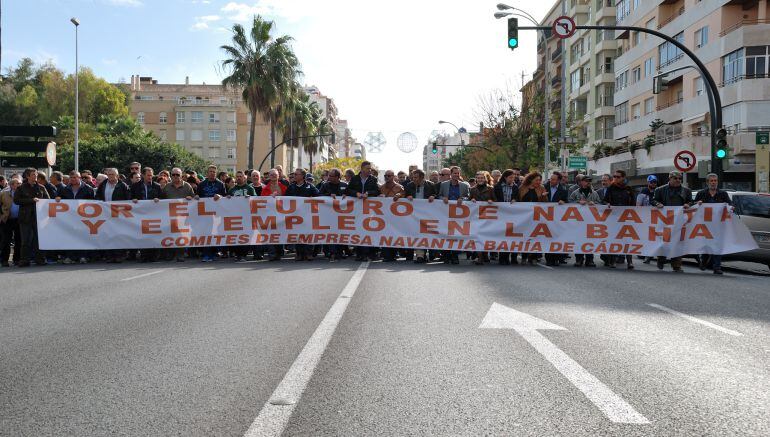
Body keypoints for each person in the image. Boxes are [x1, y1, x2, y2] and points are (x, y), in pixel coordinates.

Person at [651, 170, 693, 272]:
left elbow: (691, 201)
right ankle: (661, 259)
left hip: (679, 221)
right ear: (670, 179)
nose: (678, 180)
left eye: (679, 178)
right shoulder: (660, 190)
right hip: (664, 221)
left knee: (677, 242)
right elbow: (653, 200)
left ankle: (676, 265)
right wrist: (657, 204)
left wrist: (689, 204)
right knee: (664, 241)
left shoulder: (686, 191)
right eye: (675, 178)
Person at [694, 173, 731, 275]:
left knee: (717, 245)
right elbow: (693, 205)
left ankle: (717, 267)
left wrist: (731, 207)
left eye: (715, 181)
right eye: (712, 181)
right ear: (707, 182)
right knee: (706, 245)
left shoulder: (723, 194)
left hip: (718, 225)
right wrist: (697, 204)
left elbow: (730, 204)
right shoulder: (701, 193)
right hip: (704, 225)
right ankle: (704, 261)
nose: (714, 183)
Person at [13, 168, 50, 267]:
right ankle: (24, 260)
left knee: (39, 240)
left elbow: (48, 200)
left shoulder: (41, 187)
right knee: (26, 240)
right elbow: (16, 200)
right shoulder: (21, 188)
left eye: (36, 174)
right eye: (33, 174)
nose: (35, 176)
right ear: (28, 176)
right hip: (25, 218)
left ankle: (40, 259)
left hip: (39, 218)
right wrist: (31, 200)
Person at [345, 161, 381, 261]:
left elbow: (377, 191)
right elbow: (348, 190)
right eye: (367, 168)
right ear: (362, 169)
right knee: (359, 230)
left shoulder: (373, 179)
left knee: (371, 230)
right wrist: (356, 193)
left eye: (370, 168)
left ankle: (372, 253)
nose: (369, 170)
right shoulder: (355, 179)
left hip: (370, 210)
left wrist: (368, 193)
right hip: (357, 210)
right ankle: (360, 253)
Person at [602, 169, 636, 270]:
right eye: (614, 177)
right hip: (613, 218)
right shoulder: (611, 188)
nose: (615, 178)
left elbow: (633, 204)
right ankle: (613, 261)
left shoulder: (629, 189)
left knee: (627, 239)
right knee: (613, 239)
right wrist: (607, 204)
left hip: (626, 218)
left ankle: (630, 261)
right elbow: (605, 200)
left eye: (618, 177)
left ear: (623, 178)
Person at [95, 168, 131, 263]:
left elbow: (128, 200)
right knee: (108, 235)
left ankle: (120, 255)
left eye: (112, 174)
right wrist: (100, 202)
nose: (110, 176)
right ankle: (110, 255)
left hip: (119, 215)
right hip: (106, 214)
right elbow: (98, 196)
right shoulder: (103, 185)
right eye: (109, 174)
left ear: (117, 176)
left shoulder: (123, 186)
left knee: (119, 235)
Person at [436, 166, 470, 264]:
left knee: (456, 235)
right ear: (451, 174)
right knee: (446, 234)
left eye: (458, 173)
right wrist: (443, 198)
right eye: (454, 173)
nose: (456, 175)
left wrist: (462, 199)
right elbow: (439, 195)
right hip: (445, 214)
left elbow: (468, 196)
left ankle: (455, 255)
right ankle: (446, 256)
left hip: (459, 215)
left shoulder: (464, 185)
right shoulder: (444, 184)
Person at [161, 168, 196, 262]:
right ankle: (170, 254)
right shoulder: (167, 187)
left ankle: (180, 254)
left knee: (181, 235)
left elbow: (194, 199)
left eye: (177, 175)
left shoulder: (187, 186)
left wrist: (191, 198)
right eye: (173, 175)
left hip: (183, 216)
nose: (175, 176)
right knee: (170, 234)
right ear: (171, 176)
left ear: (181, 176)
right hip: (170, 216)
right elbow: (161, 200)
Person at [402, 169, 436, 263]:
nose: (414, 179)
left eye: (416, 177)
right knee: (416, 234)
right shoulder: (409, 186)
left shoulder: (431, 185)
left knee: (426, 234)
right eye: (413, 177)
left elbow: (436, 195)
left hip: (427, 214)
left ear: (422, 177)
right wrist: (407, 197)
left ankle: (425, 254)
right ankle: (419, 255)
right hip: (413, 215)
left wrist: (433, 196)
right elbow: (405, 196)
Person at [286, 168, 319, 261]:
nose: (294, 176)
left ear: (302, 176)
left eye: (297, 174)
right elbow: (284, 199)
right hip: (295, 215)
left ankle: (308, 253)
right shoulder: (291, 187)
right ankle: (299, 253)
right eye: (294, 174)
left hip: (307, 215)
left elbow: (319, 196)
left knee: (307, 234)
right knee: (297, 234)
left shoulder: (310, 186)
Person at [569, 175, 601, 267]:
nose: (588, 183)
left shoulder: (594, 193)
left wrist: (594, 203)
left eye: (589, 181)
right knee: (579, 240)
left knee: (590, 240)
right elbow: (569, 202)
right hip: (578, 221)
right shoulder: (575, 193)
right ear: (581, 182)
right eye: (586, 181)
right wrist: (578, 202)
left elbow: (600, 203)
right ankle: (579, 259)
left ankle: (590, 260)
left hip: (590, 221)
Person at [198, 165, 227, 262]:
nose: (212, 173)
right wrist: (196, 197)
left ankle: (214, 253)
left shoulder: (220, 184)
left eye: (214, 172)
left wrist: (220, 196)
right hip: (205, 213)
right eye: (210, 171)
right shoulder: (201, 184)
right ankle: (206, 254)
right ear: (207, 173)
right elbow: (197, 197)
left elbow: (225, 198)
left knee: (215, 233)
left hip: (217, 213)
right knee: (206, 233)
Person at [517, 172, 547, 265]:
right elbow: (518, 200)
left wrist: (543, 196)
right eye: (537, 180)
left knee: (535, 237)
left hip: (536, 217)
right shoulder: (522, 188)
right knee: (525, 237)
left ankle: (533, 257)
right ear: (531, 179)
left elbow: (546, 204)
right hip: (524, 218)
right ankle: (524, 256)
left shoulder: (541, 188)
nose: (538, 182)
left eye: (540, 180)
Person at [319, 168, 348, 262]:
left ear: (337, 177)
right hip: (328, 214)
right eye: (329, 176)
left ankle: (339, 252)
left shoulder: (345, 185)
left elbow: (351, 194)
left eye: (331, 176)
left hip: (342, 215)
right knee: (330, 234)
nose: (329, 177)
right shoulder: (325, 185)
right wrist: (328, 195)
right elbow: (319, 195)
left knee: (340, 234)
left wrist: (347, 196)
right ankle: (330, 252)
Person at [469, 171, 496, 265]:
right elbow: (468, 202)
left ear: (485, 179)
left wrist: (491, 200)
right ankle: (480, 257)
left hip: (488, 216)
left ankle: (484, 255)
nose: (480, 179)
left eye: (482, 178)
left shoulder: (491, 189)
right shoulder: (472, 189)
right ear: (476, 179)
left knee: (485, 236)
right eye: (478, 178)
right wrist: (471, 199)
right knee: (477, 236)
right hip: (476, 217)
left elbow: (496, 200)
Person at [261, 169, 288, 261]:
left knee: (280, 234)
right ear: (269, 176)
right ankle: (272, 254)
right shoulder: (265, 188)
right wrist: (270, 197)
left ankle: (279, 252)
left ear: (278, 176)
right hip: (269, 215)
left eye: (275, 174)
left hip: (281, 214)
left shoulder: (284, 187)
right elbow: (262, 200)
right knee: (271, 234)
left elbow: (289, 200)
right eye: (271, 174)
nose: (273, 176)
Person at [494, 169, 520, 265]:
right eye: (510, 177)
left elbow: (517, 197)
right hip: (501, 215)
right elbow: (495, 198)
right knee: (503, 237)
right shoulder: (497, 187)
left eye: (513, 178)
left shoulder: (515, 187)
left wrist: (514, 199)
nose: (512, 179)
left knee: (511, 237)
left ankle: (511, 257)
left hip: (511, 215)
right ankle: (502, 257)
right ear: (505, 177)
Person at [543, 172, 568, 266]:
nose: (551, 181)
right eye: (550, 179)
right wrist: (542, 196)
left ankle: (556, 257)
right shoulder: (544, 187)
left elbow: (568, 202)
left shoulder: (563, 190)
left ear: (558, 181)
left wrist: (564, 201)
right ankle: (549, 259)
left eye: (553, 179)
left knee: (557, 238)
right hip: (545, 217)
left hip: (557, 219)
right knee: (548, 238)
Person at [379, 170, 404, 262]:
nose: (387, 177)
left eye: (389, 175)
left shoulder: (399, 187)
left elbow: (404, 196)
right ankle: (386, 255)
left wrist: (399, 195)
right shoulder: (381, 188)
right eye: (386, 175)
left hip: (396, 216)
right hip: (384, 215)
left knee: (394, 235)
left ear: (393, 176)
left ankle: (394, 253)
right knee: (385, 235)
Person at [0, 178, 22, 267]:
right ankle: (4, 260)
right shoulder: (3, 193)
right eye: (18, 183)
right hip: (7, 219)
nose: (20, 185)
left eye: (20, 183)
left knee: (19, 240)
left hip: (19, 219)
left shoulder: (22, 193)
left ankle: (16, 259)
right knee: (6, 240)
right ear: (12, 185)